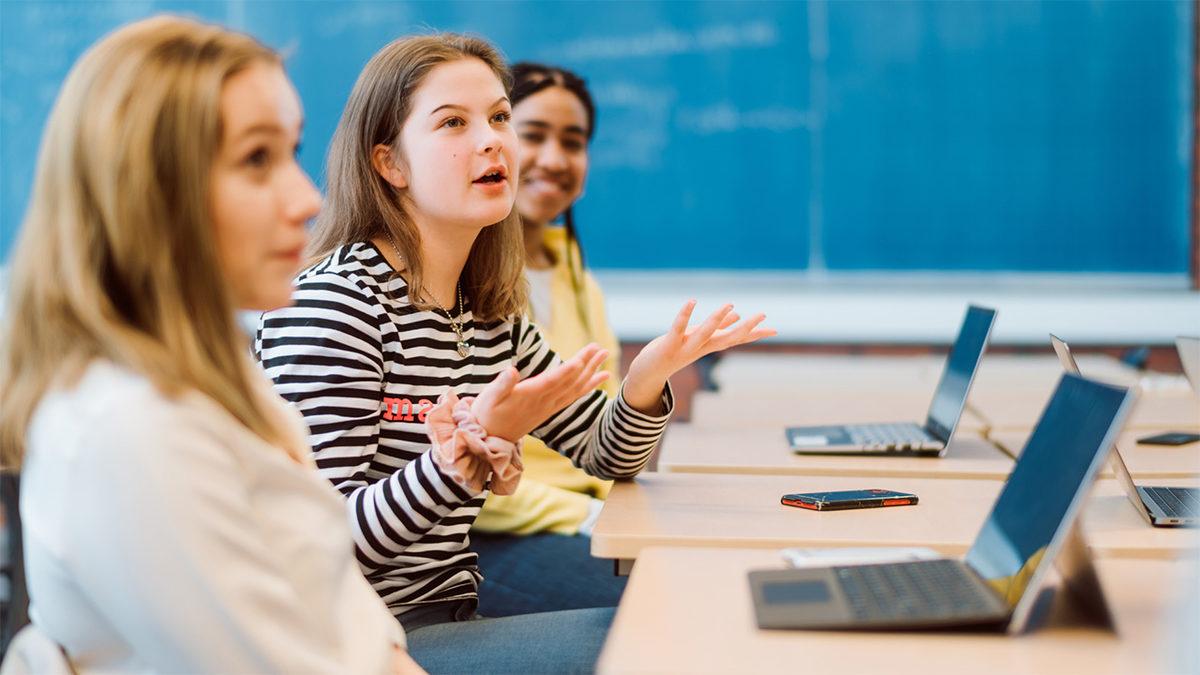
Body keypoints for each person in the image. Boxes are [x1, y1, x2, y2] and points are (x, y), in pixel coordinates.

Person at [254, 32, 773, 672]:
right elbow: (321, 544)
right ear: (390, 165)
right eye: (453, 123)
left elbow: (607, 454)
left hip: (446, 620)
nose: (494, 140)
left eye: (500, 117)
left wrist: (646, 379)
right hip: (359, 647)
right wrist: (454, 467)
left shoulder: (489, 310)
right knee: (662, 636)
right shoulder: (337, 306)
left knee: (686, 613)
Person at [0, 16, 432, 673]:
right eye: (257, 159)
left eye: (291, 152)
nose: (307, 198)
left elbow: (336, 592)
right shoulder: (134, 427)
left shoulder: (215, 369)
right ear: (148, 190)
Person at [470, 62, 629, 617]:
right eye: (533, 135)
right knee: (651, 604)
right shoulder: (458, 276)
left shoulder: (577, 279)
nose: (556, 159)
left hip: (584, 514)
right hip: (491, 535)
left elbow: (600, 434)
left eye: (574, 141)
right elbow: (466, 474)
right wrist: (586, 517)